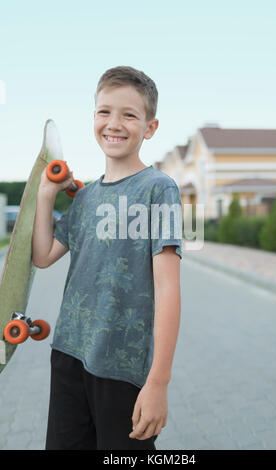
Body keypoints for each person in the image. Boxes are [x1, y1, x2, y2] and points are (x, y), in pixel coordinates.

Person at [32, 65, 182, 450]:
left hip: (122, 368)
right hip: (67, 354)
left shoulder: (158, 189)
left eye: (129, 114)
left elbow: (168, 290)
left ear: (150, 127)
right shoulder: (84, 197)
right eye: (104, 111)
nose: (114, 123)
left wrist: (158, 382)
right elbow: (43, 255)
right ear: (94, 117)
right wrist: (47, 195)